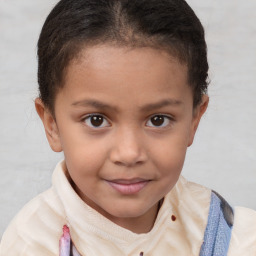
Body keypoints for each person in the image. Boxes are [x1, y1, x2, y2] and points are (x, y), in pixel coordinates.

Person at [0, 0, 255, 255]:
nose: (129, 153)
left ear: (194, 120)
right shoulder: (30, 245)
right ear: (52, 125)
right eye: (96, 120)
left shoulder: (237, 240)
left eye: (158, 120)